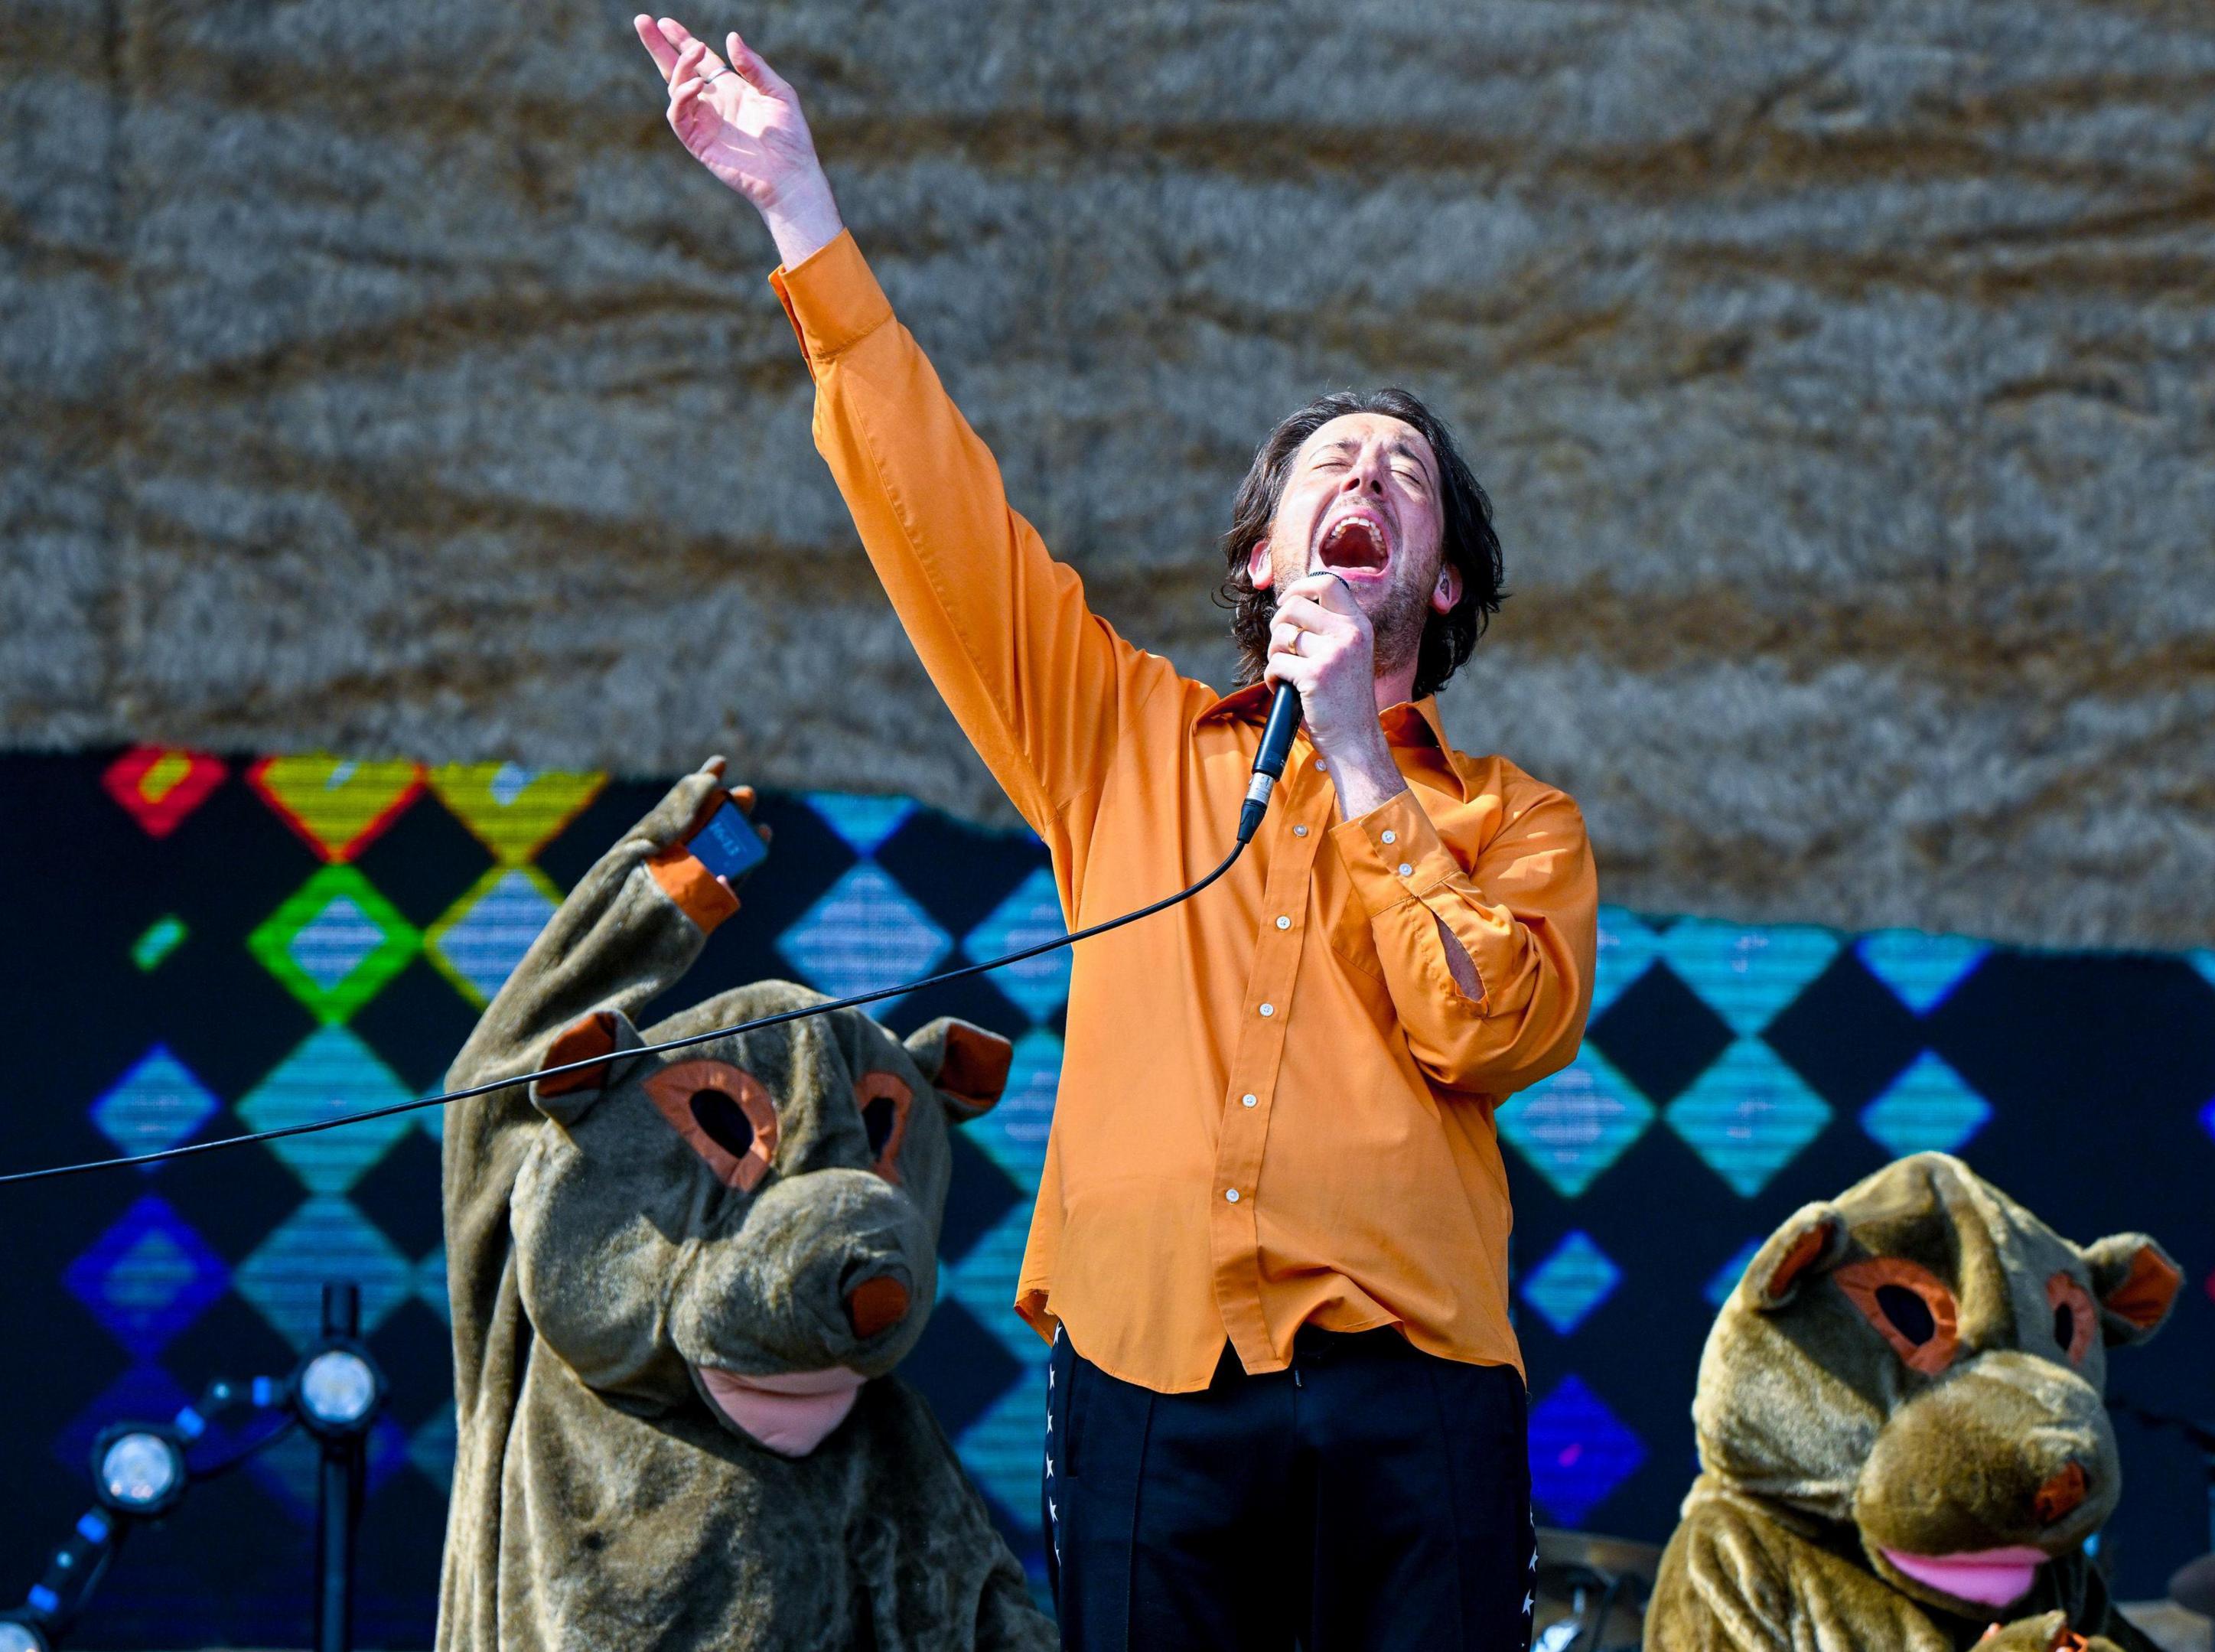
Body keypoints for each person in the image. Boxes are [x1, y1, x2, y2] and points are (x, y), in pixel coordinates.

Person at [634, 18, 1600, 1652]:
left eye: (1406, 474)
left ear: (1437, 581)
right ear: (1264, 554)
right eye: (1329, 464)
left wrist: (1364, 767)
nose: (1366, 469)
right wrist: (801, 209)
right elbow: (940, 518)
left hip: (1416, 1384)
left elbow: (1485, 1028)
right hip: (1151, 1372)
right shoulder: (1119, 738)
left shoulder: (1515, 822)